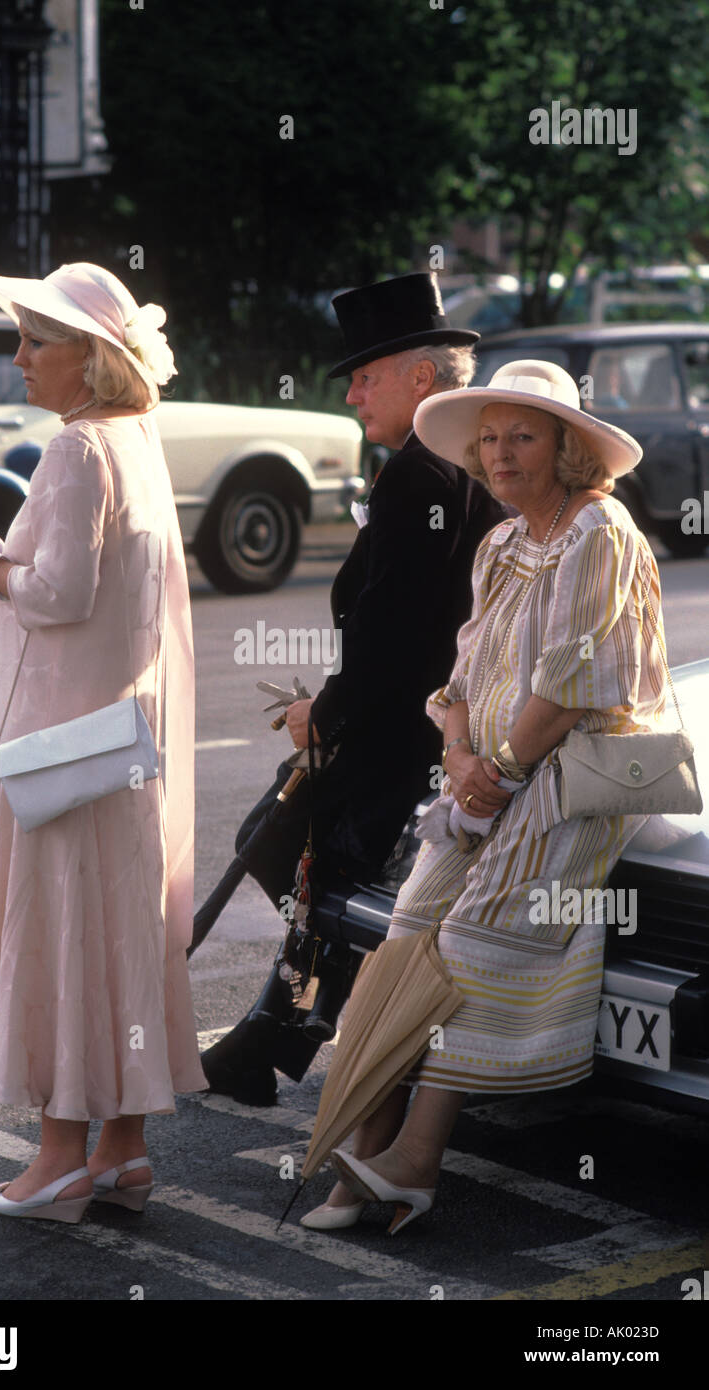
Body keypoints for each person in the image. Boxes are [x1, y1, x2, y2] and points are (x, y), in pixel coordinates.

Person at [301, 358, 668, 1232]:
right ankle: (362, 1150)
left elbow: (571, 683)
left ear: (567, 447)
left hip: (579, 770)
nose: (500, 455)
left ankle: (414, 1162)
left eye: (523, 436)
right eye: (490, 438)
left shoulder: (598, 529)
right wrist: (461, 754)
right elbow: (460, 676)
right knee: (406, 932)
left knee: (469, 941)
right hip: (486, 771)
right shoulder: (501, 542)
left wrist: (492, 778)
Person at [202, 272, 506, 1105]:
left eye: (365, 375)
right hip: (438, 728)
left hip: (405, 739)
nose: (350, 393)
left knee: (291, 853)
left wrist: (320, 714)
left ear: (421, 377)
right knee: (306, 864)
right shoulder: (471, 458)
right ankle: (276, 1038)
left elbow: (395, 639)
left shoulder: (419, 473)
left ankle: (344, 1034)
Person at [0, 262, 205, 1222]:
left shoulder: (78, 451)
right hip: (118, 742)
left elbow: (58, 594)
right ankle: (122, 1150)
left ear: (92, 360)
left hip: (61, 747)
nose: (18, 360)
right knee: (117, 932)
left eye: (35, 342)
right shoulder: (136, 438)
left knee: (60, 936)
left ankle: (56, 1159)